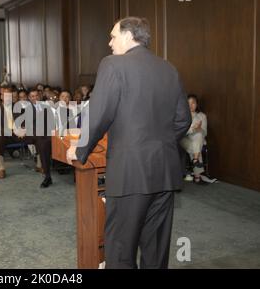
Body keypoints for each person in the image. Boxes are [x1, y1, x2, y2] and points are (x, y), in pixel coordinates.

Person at [67, 17, 191, 269]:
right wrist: (157, 143)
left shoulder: (113, 64)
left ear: (128, 35)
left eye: (113, 36)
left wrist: (79, 149)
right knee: (155, 251)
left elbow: (100, 113)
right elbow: (183, 120)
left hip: (129, 174)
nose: (109, 42)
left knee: (121, 250)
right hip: (164, 173)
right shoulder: (169, 68)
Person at [180, 94, 208, 183]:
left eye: (193, 103)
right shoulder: (182, 116)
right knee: (197, 147)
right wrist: (193, 129)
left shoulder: (202, 116)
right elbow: (182, 132)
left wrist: (199, 129)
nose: (191, 105)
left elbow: (205, 133)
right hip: (184, 139)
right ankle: (197, 176)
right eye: (188, 103)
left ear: (197, 104)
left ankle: (195, 159)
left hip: (198, 140)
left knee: (199, 135)